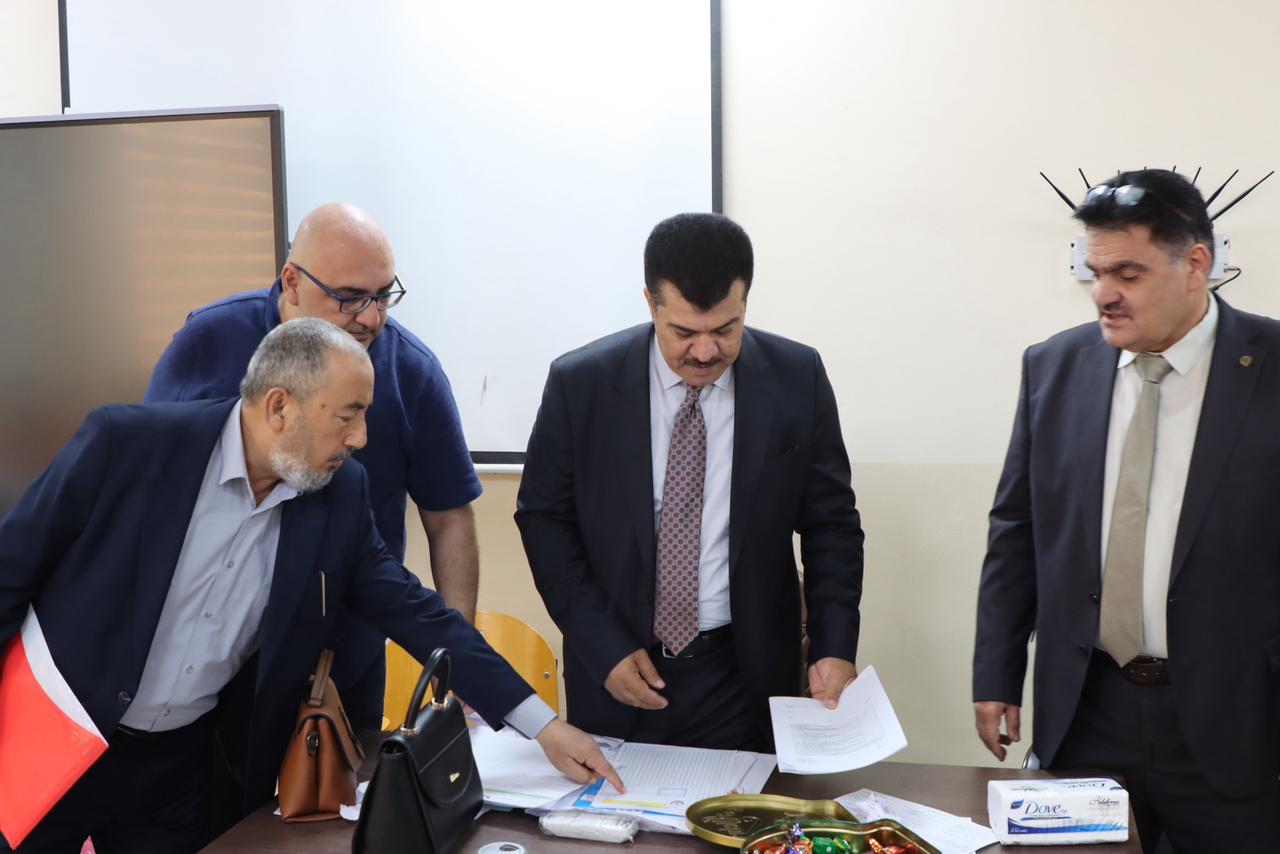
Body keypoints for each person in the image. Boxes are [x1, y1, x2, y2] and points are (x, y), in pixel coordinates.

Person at [0, 318, 620, 853]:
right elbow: (11, 570)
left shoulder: (337, 497)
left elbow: (415, 611)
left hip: (182, 767)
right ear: (279, 407)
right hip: (56, 741)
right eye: (348, 415)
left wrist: (543, 725)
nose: (361, 438)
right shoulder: (128, 445)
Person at [973, 169, 1280, 850]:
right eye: (1096, 271)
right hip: (1088, 709)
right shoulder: (1054, 367)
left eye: (1128, 274)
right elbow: (1017, 529)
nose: (1103, 293)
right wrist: (997, 673)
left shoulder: (1272, 367)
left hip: (1237, 721)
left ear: (1195, 264)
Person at [515, 212, 865, 751]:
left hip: (745, 675)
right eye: (684, 332)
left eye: (725, 330)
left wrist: (833, 645)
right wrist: (600, 644)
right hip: (619, 668)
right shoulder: (581, 385)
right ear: (650, 304)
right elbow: (544, 519)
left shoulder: (797, 379)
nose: (705, 353)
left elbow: (832, 525)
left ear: (745, 303)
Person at [144, 202, 480, 732]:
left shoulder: (412, 372)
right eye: (349, 297)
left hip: (338, 661)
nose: (371, 318)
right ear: (292, 281)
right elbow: (152, 480)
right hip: (202, 654)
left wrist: (455, 659)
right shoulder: (209, 339)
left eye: (383, 295)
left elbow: (449, 516)